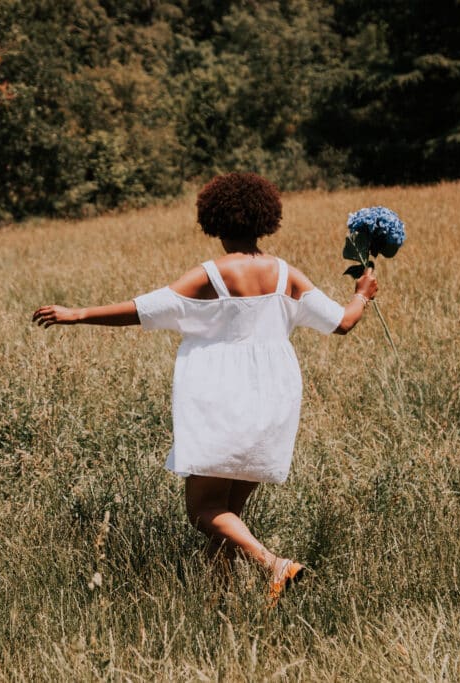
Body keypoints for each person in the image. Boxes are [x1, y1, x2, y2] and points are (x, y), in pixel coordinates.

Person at [33, 172, 378, 605]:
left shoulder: (210, 275)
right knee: (226, 513)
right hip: (274, 403)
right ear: (265, 218)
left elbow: (144, 309)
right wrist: (362, 293)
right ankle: (221, 604)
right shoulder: (286, 274)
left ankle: (275, 565)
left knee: (202, 512)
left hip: (222, 401)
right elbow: (342, 323)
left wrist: (78, 314)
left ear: (213, 220)